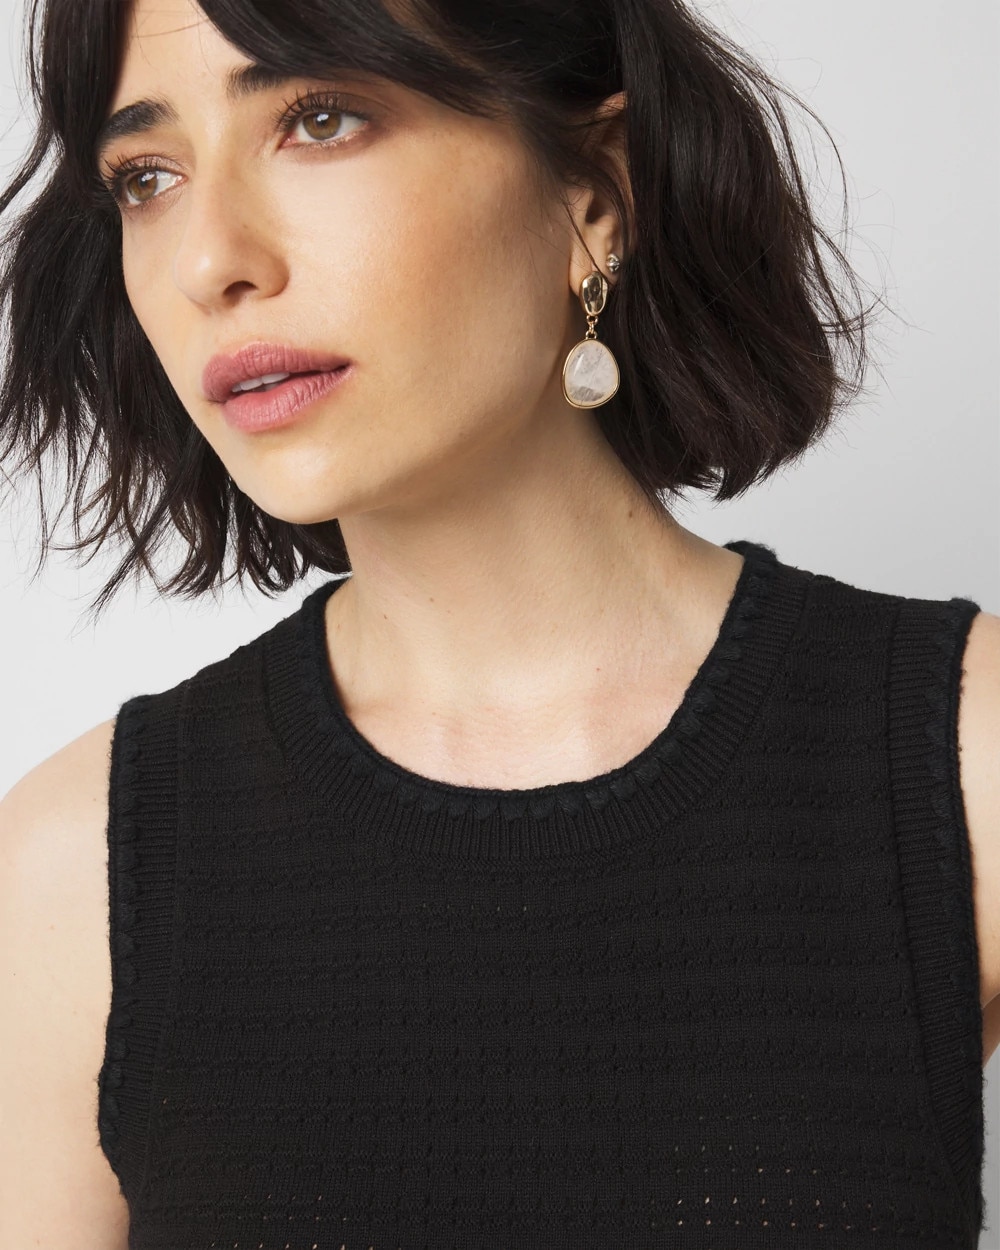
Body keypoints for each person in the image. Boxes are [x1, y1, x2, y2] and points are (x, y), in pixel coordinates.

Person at [0, 0, 997, 1246]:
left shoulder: (964, 758)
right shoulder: (71, 873)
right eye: (145, 177)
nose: (211, 261)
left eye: (321, 120)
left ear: (595, 194)